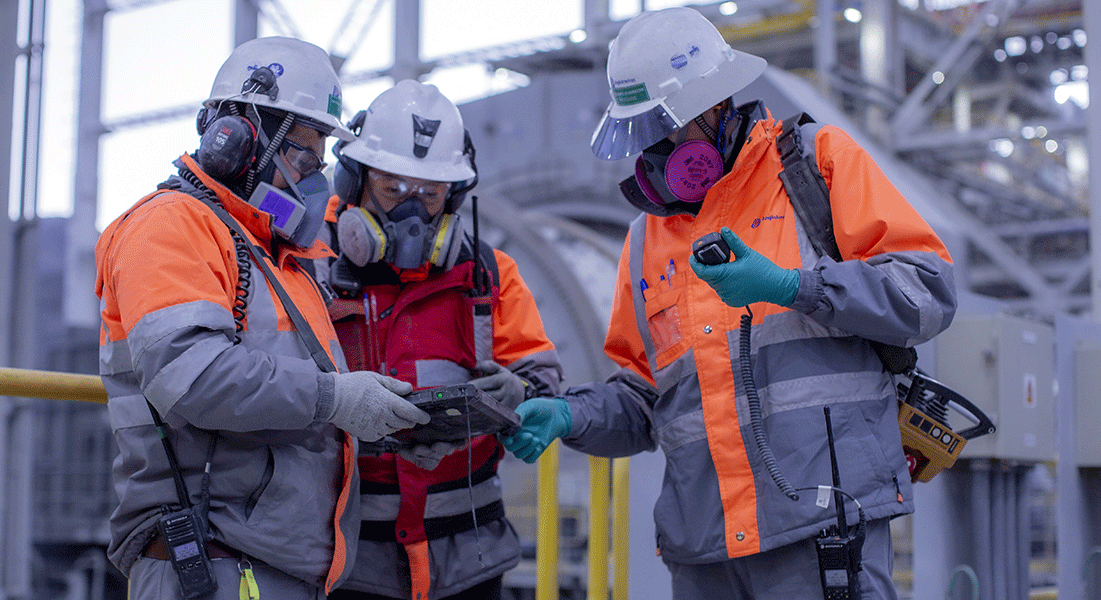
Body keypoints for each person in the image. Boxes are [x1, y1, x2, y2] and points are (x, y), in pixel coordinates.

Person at [503, 8, 956, 600]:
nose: (656, 153)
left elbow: (927, 295)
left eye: (667, 129)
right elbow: (645, 398)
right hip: (706, 554)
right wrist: (571, 415)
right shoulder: (645, 241)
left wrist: (797, 287)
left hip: (820, 532)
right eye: (641, 134)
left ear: (716, 106)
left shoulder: (816, 165)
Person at [95, 37, 433, 599]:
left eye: (319, 159)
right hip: (212, 566)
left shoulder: (277, 258)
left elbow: (289, 410)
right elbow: (193, 376)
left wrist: (382, 425)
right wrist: (337, 399)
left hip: (270, 569)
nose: (312, 178)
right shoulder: (171, 227)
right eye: (302, 154)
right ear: (237, 140)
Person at [320, 80, 563, 600]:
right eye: (392, 189)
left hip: (467, 562)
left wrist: (520, 394)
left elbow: (543, 380)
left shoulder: (489, 275)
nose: (411, 212)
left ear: (452, 197)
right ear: (354, 180)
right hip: (348, 563)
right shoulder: (307, 267)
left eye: (428, 194)